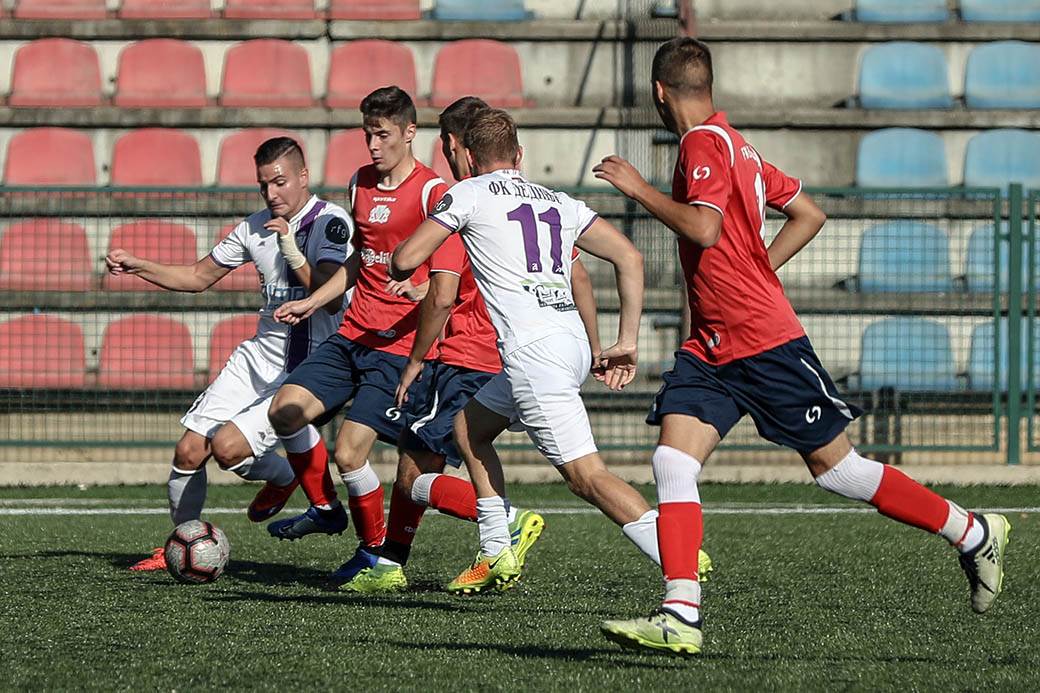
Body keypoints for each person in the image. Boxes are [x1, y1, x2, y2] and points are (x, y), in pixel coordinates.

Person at [594, 37, 1011, 656]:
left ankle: (971, 530)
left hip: (762, 343)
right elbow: (809, 214)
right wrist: (759, 268)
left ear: (659, 92)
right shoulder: (742, 147)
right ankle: (680, 612)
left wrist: (639, 189)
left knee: (838, 470)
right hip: (712, 346)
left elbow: (705, 228)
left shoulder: (702, 143)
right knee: (672, 462)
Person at [390, 109, 712, 595]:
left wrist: (436, 233)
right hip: (572, 343)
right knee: (468, 428)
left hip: (532, 355)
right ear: (520, 155)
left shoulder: (468, 192)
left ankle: (677, 553)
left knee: (587, 478)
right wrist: (626, 341)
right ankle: (497, 548)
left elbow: (404, 259)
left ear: (471, 158)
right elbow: (630, 256)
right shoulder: (559, 202)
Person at [105, 137, 352, 571]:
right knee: (187, 452)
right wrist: (139, 265)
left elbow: (331, 299)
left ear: (302, 178)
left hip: (308, 367)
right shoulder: (254, 226)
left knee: (227, 449)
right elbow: (199, 276)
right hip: (257, 358)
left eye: (279, 182)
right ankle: (177, 546)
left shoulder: (331, 222)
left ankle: (286, 472)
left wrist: (291, 248)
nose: (271, 194)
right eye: (263, 185)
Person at [266, 86, 446, 585]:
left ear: (410, 133)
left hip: (395, 348)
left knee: (349, 453)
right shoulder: (360, 183)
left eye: (382, 135)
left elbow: (457, 271)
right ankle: (326, 508)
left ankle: (375, 555)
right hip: (351, 334)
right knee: (284, 410)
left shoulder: (433, 192)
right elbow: (357, 261)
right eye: (367, 134)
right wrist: (313, 299)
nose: (372, 145)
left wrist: (421, 288)